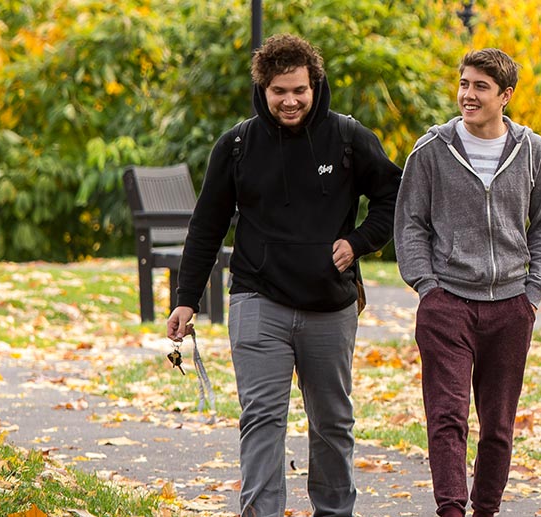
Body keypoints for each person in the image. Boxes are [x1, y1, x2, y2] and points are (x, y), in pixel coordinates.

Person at [165, 33, 402, 517]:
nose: (290, 101)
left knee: (332, 421)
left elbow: (394, 195)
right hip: (258, 298)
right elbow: (206, 224)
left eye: (299, 90)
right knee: (262, 419)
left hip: (329, 305)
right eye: (279, 92)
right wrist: (186, 298)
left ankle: (334, 512)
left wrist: (358, 242)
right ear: (263, 90)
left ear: (315, 85)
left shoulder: (348, 138)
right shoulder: (236, 146)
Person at [395, 48, 541, 517]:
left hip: (511, 307)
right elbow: (410, 223)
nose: (467, 95)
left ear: (505, 95)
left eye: (480, 87)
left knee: (497, 426)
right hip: (446, 302)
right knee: (446, 420)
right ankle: (450, 510)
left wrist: (534, 292)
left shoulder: (533, 151)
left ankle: (485, 509)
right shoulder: (432, 149)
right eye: (464, 84)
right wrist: (426, 287)